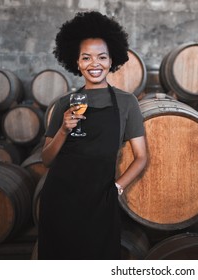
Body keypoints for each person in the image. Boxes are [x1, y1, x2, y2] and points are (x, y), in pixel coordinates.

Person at [38, 11, 147, 260]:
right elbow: (46, 159)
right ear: (76, 62)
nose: (94, 64)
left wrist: (117, 189)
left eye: (101, 57)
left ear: (112, 60)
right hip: (60, 199)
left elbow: (141, 157)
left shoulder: (126, 102)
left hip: (101, 201)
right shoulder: (64, 103)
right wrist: (64, 130)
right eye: (86, 58)